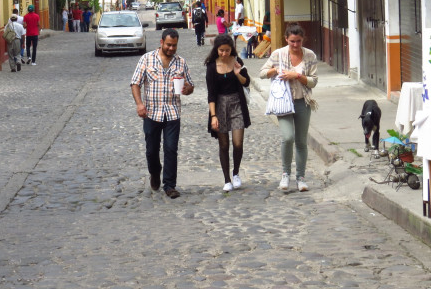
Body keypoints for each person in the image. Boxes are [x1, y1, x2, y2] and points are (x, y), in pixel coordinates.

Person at [130, 28, 194, 199]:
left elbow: (190, 85)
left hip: (173, 112)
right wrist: (139, 104)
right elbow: (135, 83)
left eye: (174, 46)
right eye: (168, 45)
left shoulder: (181, 62)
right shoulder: (147, 59)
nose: (171, 49)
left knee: (171, 149)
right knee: (151, 150)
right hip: (151, 113)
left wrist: (188, 89)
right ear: (161, 42)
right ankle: (155, 172)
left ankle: (170, 185)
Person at [259, 23, 319, 192]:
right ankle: (285, 174)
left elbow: (314, 81)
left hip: (302, 101)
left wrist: (297, 76)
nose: (295, 45)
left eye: (298, 41)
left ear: (302, 40)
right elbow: (262, 73)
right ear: (286, 39)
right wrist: (275, 70)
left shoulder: (310, 55)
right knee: (287, 137)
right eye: (292, 41)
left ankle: (301, 177)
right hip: (283, 103)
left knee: (301, 141)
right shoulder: (278, 54)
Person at [205, 34, 251, 192]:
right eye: (221, 50)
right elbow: (211, 94)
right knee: (223, 144)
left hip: (237, 104)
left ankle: (236, 173)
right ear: (216, 50)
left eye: (227, 50)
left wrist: (238, 73)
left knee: (238, 143)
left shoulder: (237, 61)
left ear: (232, 49)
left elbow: (247, 82)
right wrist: (213, 116)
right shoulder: (211, 66)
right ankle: (227, 179)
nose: (224, 54)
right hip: (220, 107)